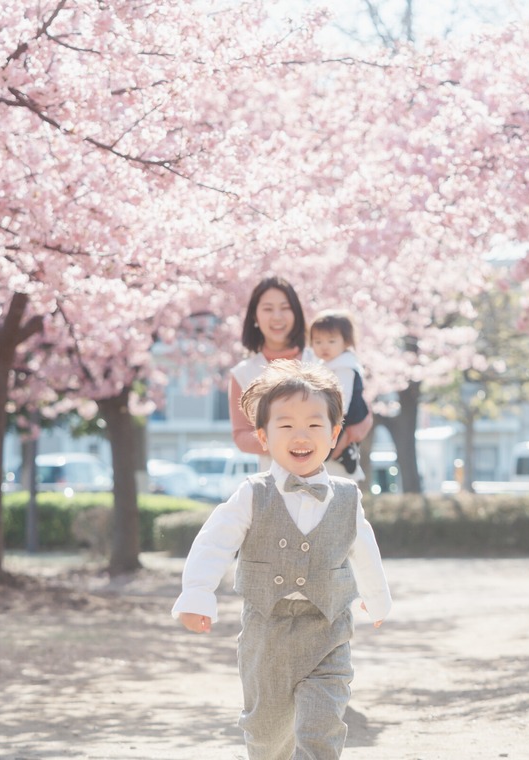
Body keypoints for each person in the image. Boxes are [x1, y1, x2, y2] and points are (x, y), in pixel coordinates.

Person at [173, 360, 392, 760]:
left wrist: (376, 598)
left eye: (314, 424)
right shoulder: (252, 494)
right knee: (267, 731)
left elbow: (363, 548)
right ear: (263, 436)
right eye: (286, 425)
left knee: (322, 724)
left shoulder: (347, 497)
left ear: (334, 433)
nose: (300, 435)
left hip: (328, 630)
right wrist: (197, 594)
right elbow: (214, 543)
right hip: (266, 632)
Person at [228, 276, 312, 466]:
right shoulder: (243, 373)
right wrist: (283, 443)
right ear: (255, 316)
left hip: (330, 473)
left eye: (285, 308)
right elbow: (241, 435)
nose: (277, 316)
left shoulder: (319, 361)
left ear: (296, 313)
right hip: (275, 477)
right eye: (268, 309)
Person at [309, 310, 370, 478]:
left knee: (326, 451)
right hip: (333, 414)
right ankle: (345, 454)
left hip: (345, 415)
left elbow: (344, 399)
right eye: (318, 341)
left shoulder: (344, 367)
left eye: (331, 341)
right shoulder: (325, 365)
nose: (324, 346)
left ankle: (347, 455)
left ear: (346, 341)